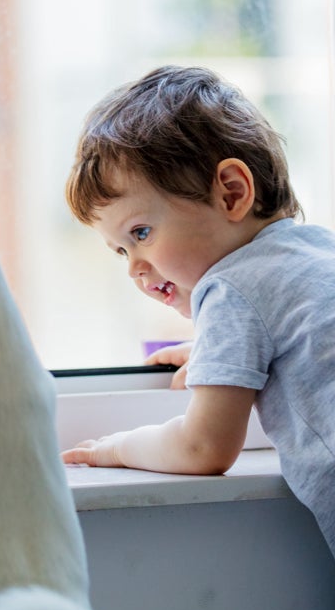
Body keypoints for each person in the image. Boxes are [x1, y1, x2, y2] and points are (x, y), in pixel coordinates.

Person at [61, 65, 335, 558]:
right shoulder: (316, 252)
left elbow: (202, 449)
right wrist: (217, 351)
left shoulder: (230, 289)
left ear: (231, 192)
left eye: (140, 233)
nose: (135, 269)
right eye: (121, 251)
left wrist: (117, 449)